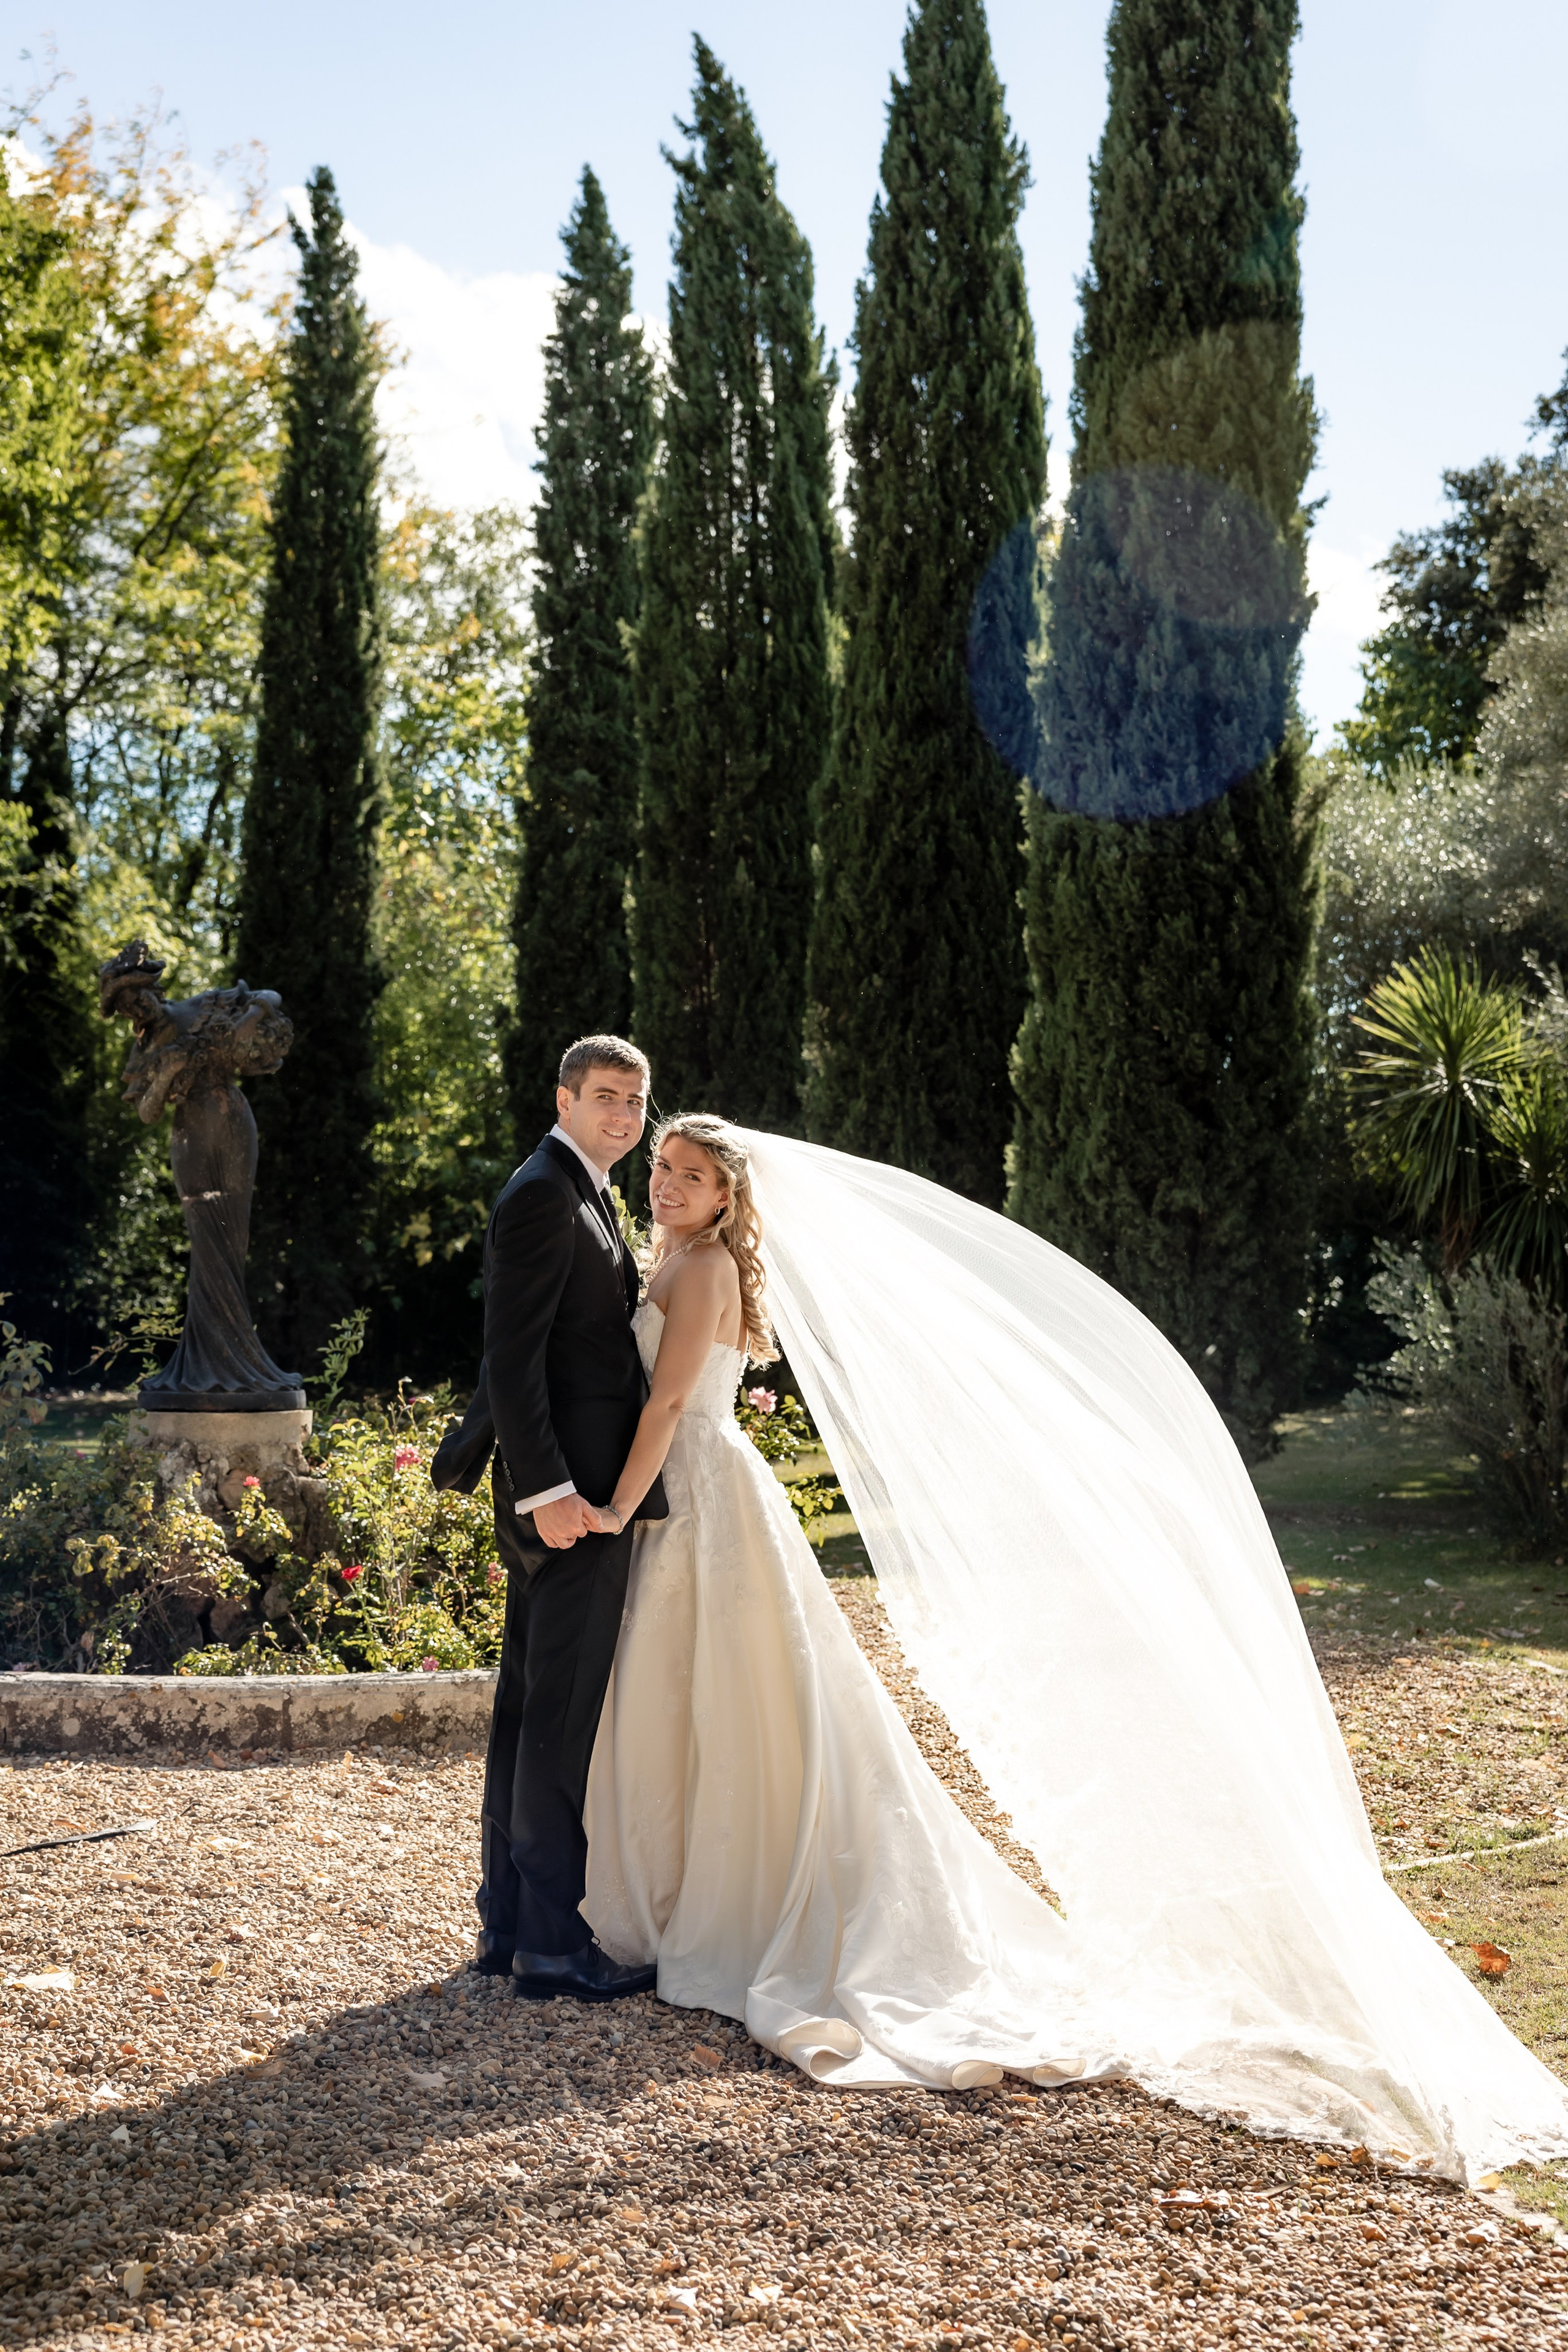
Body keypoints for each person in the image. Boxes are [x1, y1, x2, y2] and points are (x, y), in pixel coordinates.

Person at [577, 1112, 1568, 2181]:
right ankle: (686, 1877)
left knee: (735, 1693)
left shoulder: (703, 1268)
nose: (669, 1184)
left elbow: (674, 1399)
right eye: (664, 1170)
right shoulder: (678, 1255)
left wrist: (614, 1508)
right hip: (704, 1496)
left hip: (697, 1490)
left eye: (691, 1176)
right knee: (714, 1691)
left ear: (730, 1197)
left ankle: (731, 1893)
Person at [431, 1036, 667, 2000]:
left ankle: (508, 1924)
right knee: (555, 1715)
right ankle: (553, 1947)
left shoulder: (586, 1189)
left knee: (533, 1704)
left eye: (635, 1102)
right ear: (563, 1096)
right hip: (568, 1499)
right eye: (605, 1096)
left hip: (574, 1492)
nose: (622, 1115)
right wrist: (549, 1491)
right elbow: (512, 1356)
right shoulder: (542, 1193)